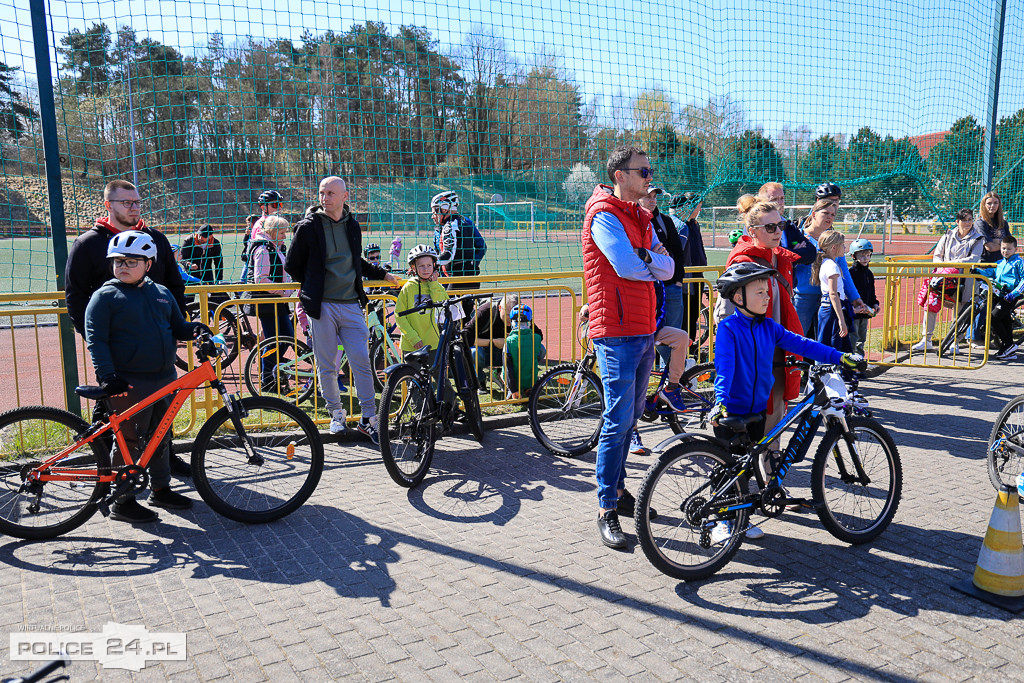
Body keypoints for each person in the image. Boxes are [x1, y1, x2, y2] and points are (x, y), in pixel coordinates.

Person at [708, 262, 862, 543]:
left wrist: (839, 356)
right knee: (727, 469)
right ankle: (718, 521)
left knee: (746, 468)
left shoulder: (769, 327)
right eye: (759, 292)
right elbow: (725, 369)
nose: (767, 297)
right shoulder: (729, 328)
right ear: (738, 298)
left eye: (767, 291)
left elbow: (804, 344)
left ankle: (739, 517)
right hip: (731, 411)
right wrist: (721, 402)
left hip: (757, 410)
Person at [63, 179, 191, 478]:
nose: (134, 208)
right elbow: (76, 296)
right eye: (126, 202)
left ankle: (164, 464)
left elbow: (174, 286)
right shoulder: (88, 243)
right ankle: (109, 475)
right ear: (108, 205)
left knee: (160, 409)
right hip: (116, 350)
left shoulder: (155, 239)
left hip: (156, 345)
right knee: (115, 412)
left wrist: (175, 327)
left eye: (136, 202)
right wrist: (95, 338)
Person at [583, 145, 674, 550]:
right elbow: (625, 265)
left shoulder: (641, 216)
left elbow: (669, 269)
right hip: (616, 331)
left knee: (630, 418)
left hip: (642, 328)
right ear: (620, 175)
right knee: (617, 420)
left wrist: (646, 259)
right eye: (643, 171)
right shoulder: (604, 213)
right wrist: (648, 260)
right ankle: (606, 506)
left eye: (650, 170)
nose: (649, 177)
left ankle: (618, 492)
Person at [84, 231, 209, 523]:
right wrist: (107, 376)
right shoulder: (105, 297)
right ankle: (122, 500)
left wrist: (196, 329)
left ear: (148, 264)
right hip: (128, 383)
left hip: (164, 378)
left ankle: (161, 489)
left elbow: (178, 326)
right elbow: (96, 340)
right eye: (118, 261)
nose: (123, 266)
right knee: (129, 440)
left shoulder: (161, 292)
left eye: (131, 261)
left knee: (161, 436)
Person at [285, 176, 398, 440]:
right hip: (322, 306)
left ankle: (369, 418)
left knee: (362, 362)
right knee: (327, 366)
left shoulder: (353, 226)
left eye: (331, 193)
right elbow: (292, 264)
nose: (325, 198)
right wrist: (314, 284)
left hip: (351, 305)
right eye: (322, 193)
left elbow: (355, 261)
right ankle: (336, 414)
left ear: (345, 196)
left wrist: (383, 274)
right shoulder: (308, 226)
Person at [789, 198, 866, 337]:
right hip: (803, 297)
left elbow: (843, 271)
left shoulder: (833, 240)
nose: (829, 217)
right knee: (796, 338)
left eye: (833, 214)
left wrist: (854, 296)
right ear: (814, 214)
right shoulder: (798, 237)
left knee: (826, 341)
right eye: (825, 213)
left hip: (827, 300)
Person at [911, 208, 985, 353]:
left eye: (970, 220)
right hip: (943, 278)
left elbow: (973, 259)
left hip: (965, 279)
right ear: (957, 221)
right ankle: (926, 340)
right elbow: (937, 255)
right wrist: (943, 268)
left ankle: (954, 342)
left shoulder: (978, 238)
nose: (967, 223)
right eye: (964, 220)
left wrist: (952, 265)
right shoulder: (948, 235)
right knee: (931, 305)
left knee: (960, 310)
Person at [246, 215, 295, 392]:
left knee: (286, 337)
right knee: (274, 341)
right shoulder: (263, 249)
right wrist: (282, 290)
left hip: (278, 301)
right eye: (282, 233)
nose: (284, 236)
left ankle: (272, 370)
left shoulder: (274, 247)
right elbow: (261, 280)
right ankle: (267, 380)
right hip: (268, 302)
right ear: (272, 232)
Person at [464, 293, 544, 389]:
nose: (511, 319)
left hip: (511, 351)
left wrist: (518, 338)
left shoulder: (522, 315)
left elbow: (539, 335)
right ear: (500, 308)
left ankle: (509, 375)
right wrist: (492, 342)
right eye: (507, 315)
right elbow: (465, 336)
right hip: (487, 350)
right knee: (473, 353)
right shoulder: (486, 311)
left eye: (514, 316)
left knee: (541, 350)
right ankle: (480, 380)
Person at [669, 192, 708, 354]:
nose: (699, 209)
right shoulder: (681, 226)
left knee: (693, 316)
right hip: (685, 280)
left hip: (697, 277)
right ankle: (682, 355)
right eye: (698, 205)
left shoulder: (693, 224)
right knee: (683, 318)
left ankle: (690, 353)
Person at [395, 245, 449, 360]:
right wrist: (413, 338)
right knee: (411, 371)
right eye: (421, 266)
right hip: (412, 345)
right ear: (413, 267)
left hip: (435, 344)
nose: (426, 269)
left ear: (434, 265)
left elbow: (442, 306)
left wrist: (433, 284)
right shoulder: (408, 287)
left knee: (438, 371)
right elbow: (399, 316)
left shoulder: (438, 287)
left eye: (429, 265)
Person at [431, 190, 487, 300]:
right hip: (466, 276)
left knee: (448, 307)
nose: (433, 216)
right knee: (466, 309)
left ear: (445, 208)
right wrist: (471, 265)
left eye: (435, 211)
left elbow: (448, 255)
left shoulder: (451, 225)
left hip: (455, 277)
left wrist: (427, 264)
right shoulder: (465, 222)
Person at [977, 234, 1024, 360]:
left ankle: (1008, 345)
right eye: (1003, 248)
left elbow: (1023, 280)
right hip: (998, 294)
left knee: (993, 318)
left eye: (1009, 249)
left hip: (1010, 296)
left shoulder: (1019, 262)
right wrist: (978, 272)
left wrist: (1013, 294)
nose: (1005, 251)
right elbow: (990, 272)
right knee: (1005, 320)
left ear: (1015, 249)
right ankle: (1009, 349)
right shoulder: (1000, 263)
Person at [812, 230, 853, 352]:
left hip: (828, 308)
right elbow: (833, 294)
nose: (845, 248)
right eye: (842, 245)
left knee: (827, 345)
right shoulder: (832, 266)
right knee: (833, 347)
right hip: (831, 309)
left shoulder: (826, 263)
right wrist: (841, 320)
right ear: (834, 247)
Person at [502, 304, 543, 399]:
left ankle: (512, 391)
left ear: (512, 322)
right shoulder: (537, 338)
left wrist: (513, 389)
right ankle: (529, 387)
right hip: (531, 379)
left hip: (514, 382)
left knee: (503, 369)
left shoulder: (509, 341)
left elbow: (507, 366)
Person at [242, 191, 284, 283]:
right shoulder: (260, 226)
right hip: (264, 274)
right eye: (275, 205)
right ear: (263, 207)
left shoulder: (276, 224)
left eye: (280, 204)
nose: (279, 208)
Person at [848, 238, 881, 356]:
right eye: (862, 255)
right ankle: (851, 361)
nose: (866, 258)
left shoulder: (869, 274)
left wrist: (875, 303)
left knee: (861, 339)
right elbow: (847, 293)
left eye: (868, 255)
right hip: (854, 312)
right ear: (853, 256)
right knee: (853, 338)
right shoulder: (851, 273)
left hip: (865, 312)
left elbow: (871, 292)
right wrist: (853, 308)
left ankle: (860, 360)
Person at [975, 192, 1010, 265]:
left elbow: (1011, 244)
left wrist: (997, 242)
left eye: (995, 203)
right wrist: (1004, 245)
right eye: (989, 203)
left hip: (1002, 263)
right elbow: (990, 247)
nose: (992, 206)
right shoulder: (980, 223)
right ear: (984, 205)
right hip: (985, 265)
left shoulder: (1004, 223)